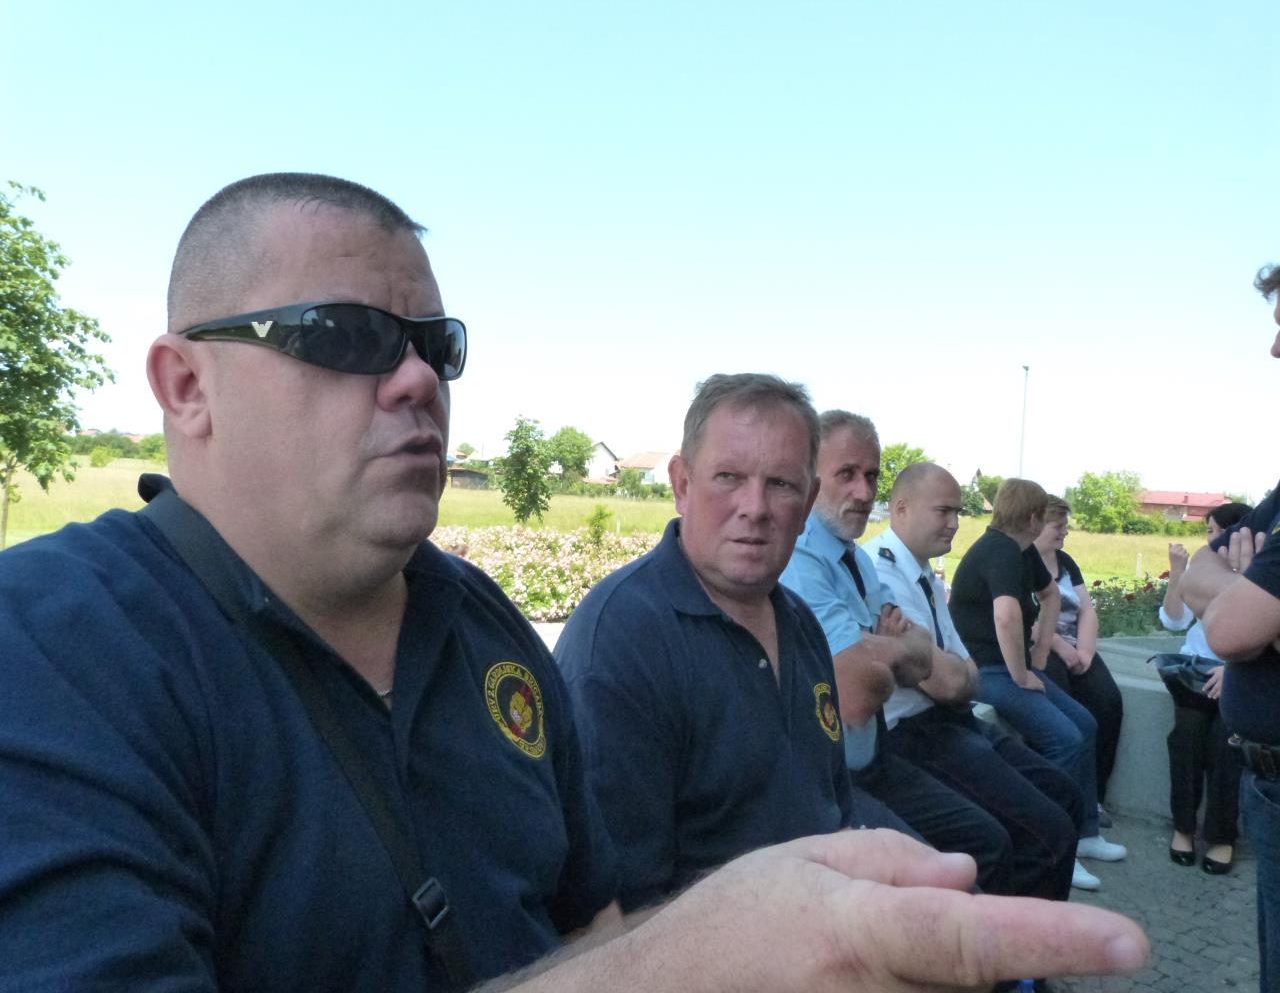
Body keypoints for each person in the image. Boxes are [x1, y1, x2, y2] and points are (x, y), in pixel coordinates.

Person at [0, 171, 1152, 993]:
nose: (417, 379)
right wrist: (692, 960)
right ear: (185, 385)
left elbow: (590, 914)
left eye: (436, 344)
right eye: (345, 334)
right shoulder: (55, 649)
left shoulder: (484, 629)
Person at [554, 374, 855, 910]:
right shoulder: (623, 641)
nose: (755, 507)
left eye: (781, 484)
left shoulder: (803, 625)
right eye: (728, 477)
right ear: (682, 484)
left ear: (808, 502)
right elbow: (618, 909)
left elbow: (833, 806)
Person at [780, 412, 1033, 897]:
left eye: (871, 475)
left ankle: (1009, 943)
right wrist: (897, 650)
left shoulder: (856, 559)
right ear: (810, 478)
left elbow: (924, 662)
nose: (863, 491)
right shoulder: (802, 559)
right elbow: (858, 694)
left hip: (875, 760)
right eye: (846, 473)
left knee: (991, 838)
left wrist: (880, 647)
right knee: (964, 864)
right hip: (832, 778)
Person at [864, 463, 1083, 900]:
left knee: (1066, 795)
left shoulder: (923, 572)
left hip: (954, 721)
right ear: (901, 509)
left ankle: (1027, 930)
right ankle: (1014, 939)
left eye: (958, 511)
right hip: (914, 735)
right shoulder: (880, 573)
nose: (955, 523)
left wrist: (950, 673)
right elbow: (947, 683)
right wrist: (952, 674)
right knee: (1043, 832)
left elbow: (964, 670)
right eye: (943, 511)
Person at [1181, 262, 1280, 993]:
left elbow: (1228, 632)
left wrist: (1246, 605)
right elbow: (1197, 577)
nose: (1274, 348)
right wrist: (1245, 597)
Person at [949, 478, 1126, 888]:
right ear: (1032, 518)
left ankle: (1085, 833)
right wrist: (1022, 673)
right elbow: (1006, 615)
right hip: (985, 672)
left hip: (1009, 669)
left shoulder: (1021, 550)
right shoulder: (998, 551)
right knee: (1066, 739)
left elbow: (1051, 596)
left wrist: (1042, 652)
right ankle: (1055, 843)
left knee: (1085, 724)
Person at [1159, 502, 1251, 875]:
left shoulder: (1261, 574)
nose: (1209, 539)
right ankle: (1183, 828)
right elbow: (1173, 621)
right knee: (1186, 739)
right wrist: (1178, 573)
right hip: (1195, 677)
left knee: (1226, 748)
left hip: (1241, 678)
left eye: (1214, 531)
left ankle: (1221, 837)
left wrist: (1234, 670)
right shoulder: (1204, 571)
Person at [1033, 496, 1125, 821]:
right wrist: (1061, 647)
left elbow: (1087, 610)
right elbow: (1026, 619)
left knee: (1108, 702)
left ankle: (1095, 797)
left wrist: (1085, 650)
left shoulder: (1065, 562)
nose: (1065, 533)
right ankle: (1066, 798)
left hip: (1076, 645)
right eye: (1058, 526)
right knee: (1064, 710)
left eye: (1065, 526)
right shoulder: (1020, 562)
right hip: (1043, 647)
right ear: (1038, 525)